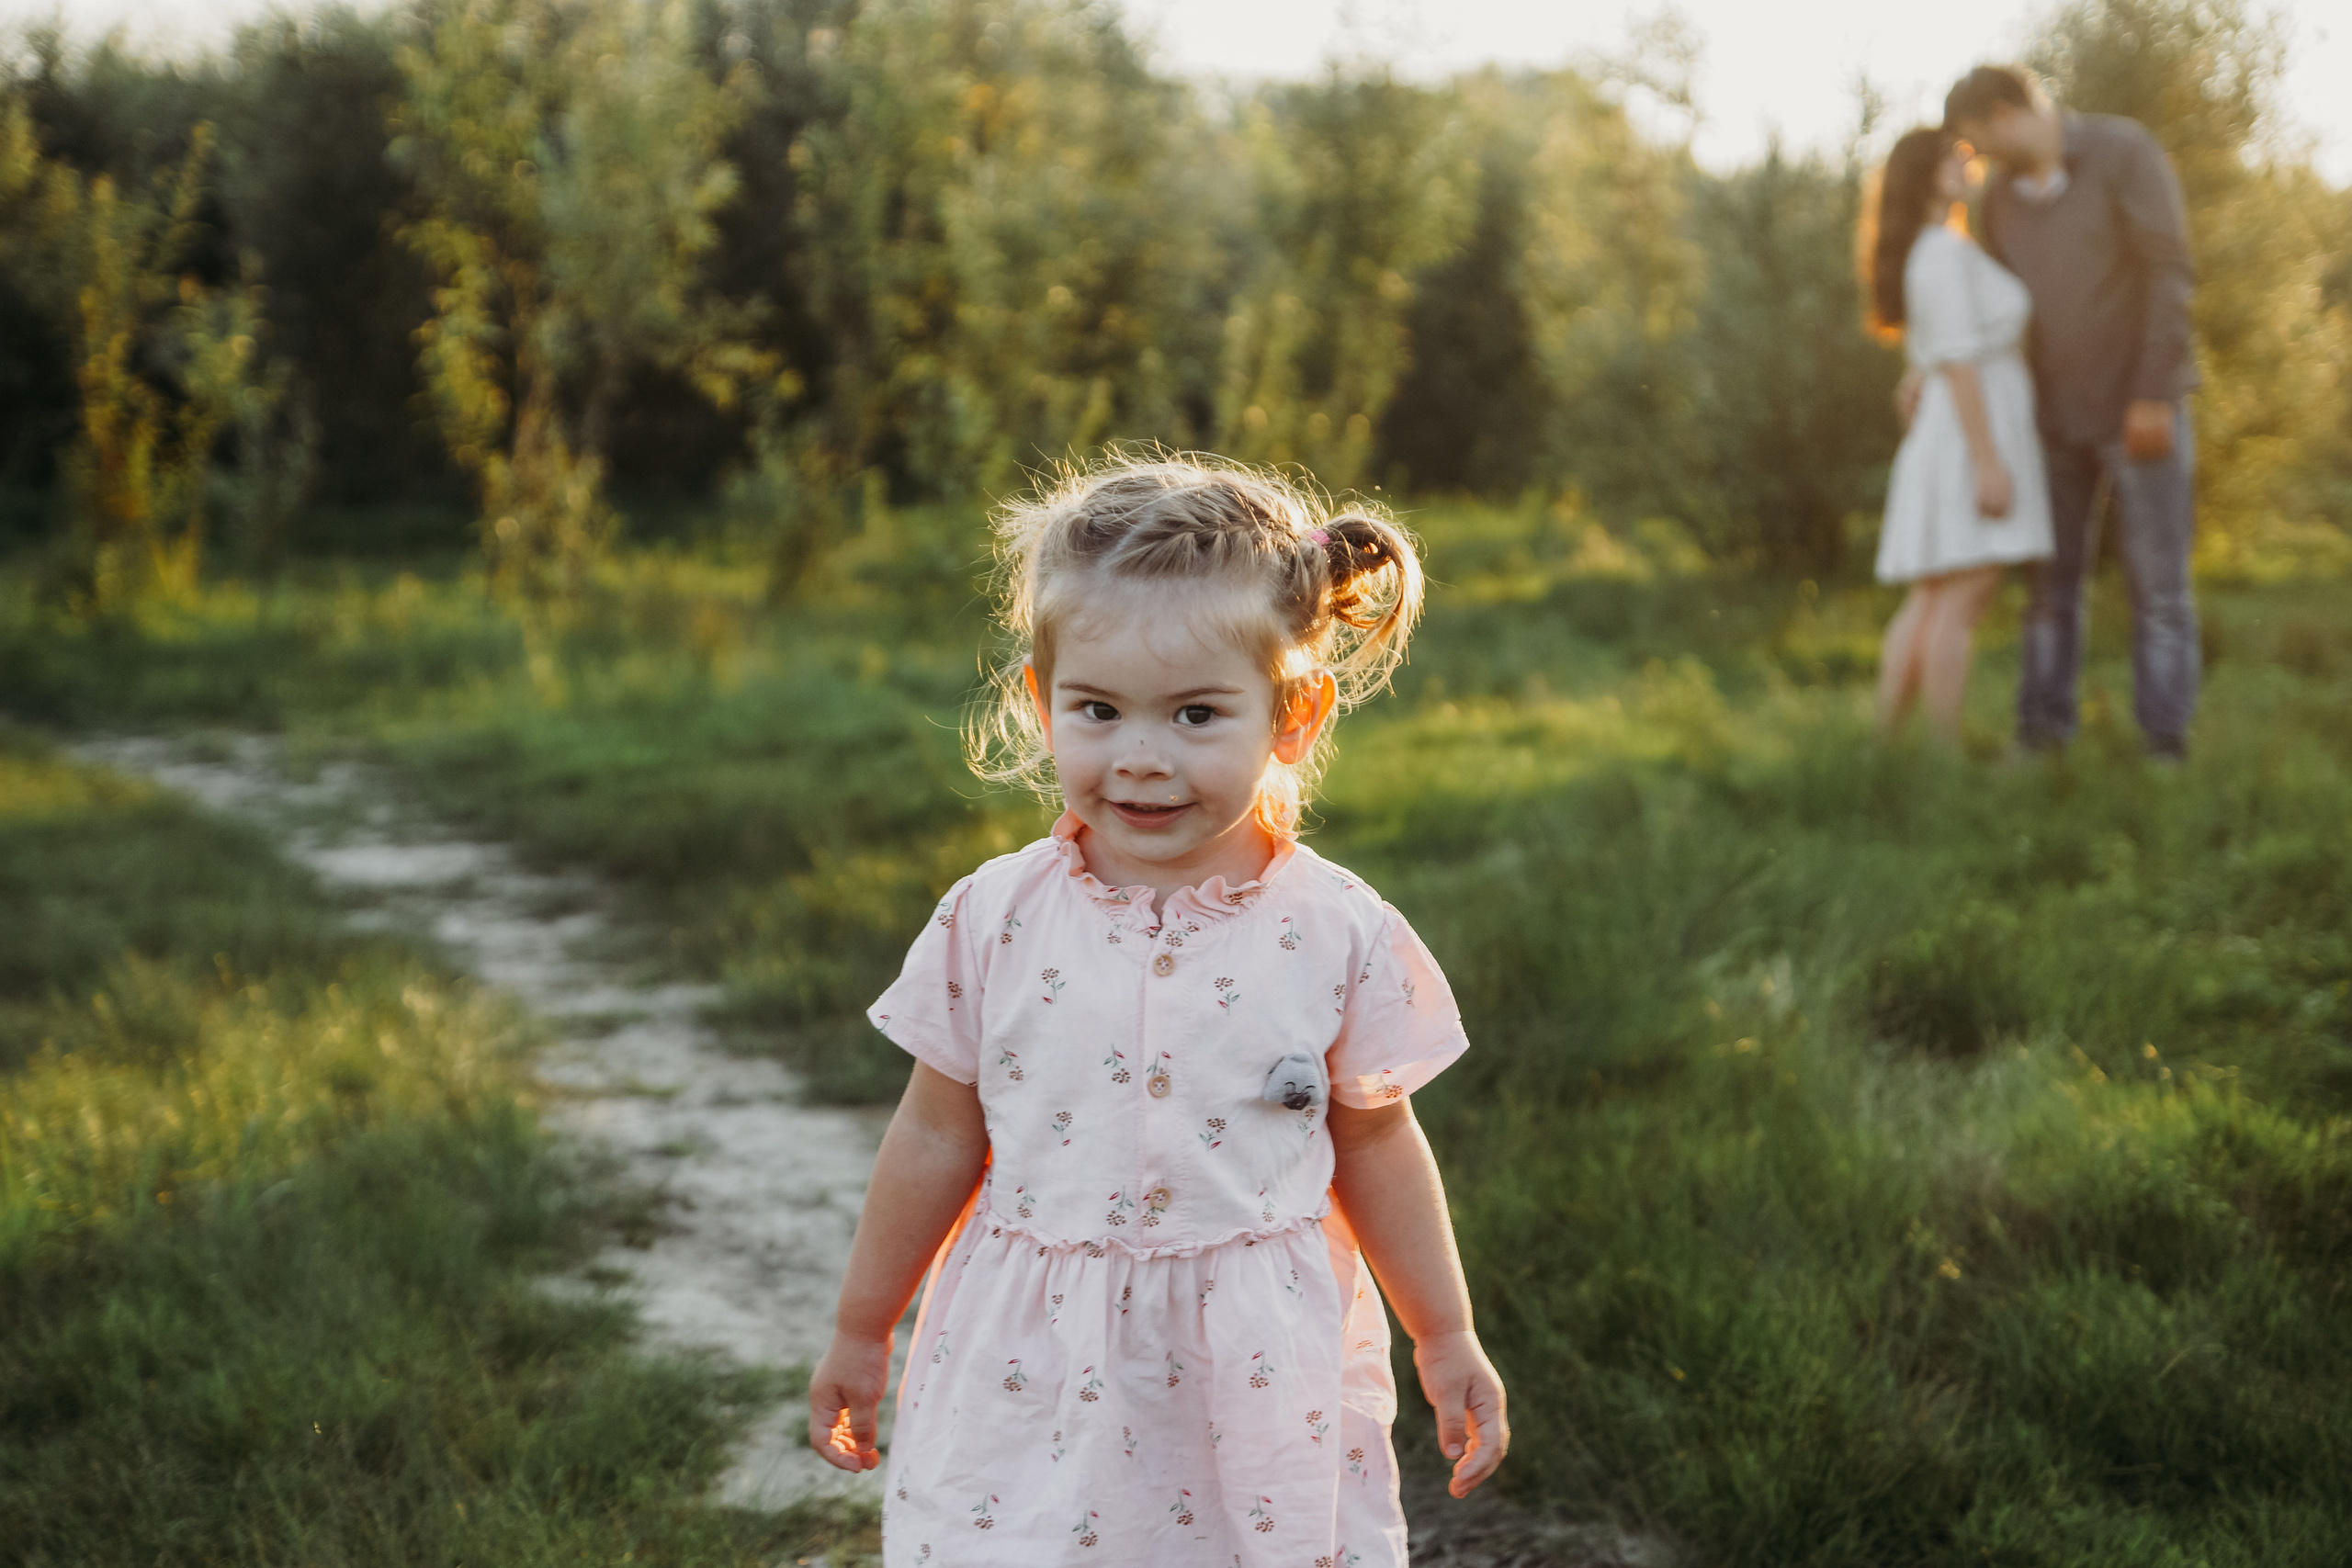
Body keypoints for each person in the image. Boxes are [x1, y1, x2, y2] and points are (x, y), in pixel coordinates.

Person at [804, 455, 1508, 1566]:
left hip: (1253, 1368)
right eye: (1097, 709)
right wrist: (862, 1327)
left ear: (1292, 714)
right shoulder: (993, 918)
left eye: (1194, 714)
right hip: (1033, 1364)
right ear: (1040, 703)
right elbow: (936, 1131)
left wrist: (1446, 1331)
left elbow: (1376, 1139)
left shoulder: (1337, 930)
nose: (1140, 758)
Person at [1938, 64, 2201, 761]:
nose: (1978, 158)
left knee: (2160, 589)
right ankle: (2042, 736)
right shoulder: (1999, 200)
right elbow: (1993, 311)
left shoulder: (2124, 154)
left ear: (2005, 115)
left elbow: (2169, 273)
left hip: (2139, 411)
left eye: (1978, 140)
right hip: (2052, 421)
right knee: (2050, 590)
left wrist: (2154, 394)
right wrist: (1924, 375)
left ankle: (2164, 747)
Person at [1870, 127, 2054, 742]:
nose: (1968, 165)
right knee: (1963, 594)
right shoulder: (1942, 254)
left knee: (1933, 595)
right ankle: (1940, 750)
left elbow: (1936, 357)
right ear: (1926, 175)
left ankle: (1886, 747)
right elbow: (1960, 362)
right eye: (1955, 158)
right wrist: (1988, 463)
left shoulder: (1939, 247)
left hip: (1953, 429)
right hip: (1968, 436)